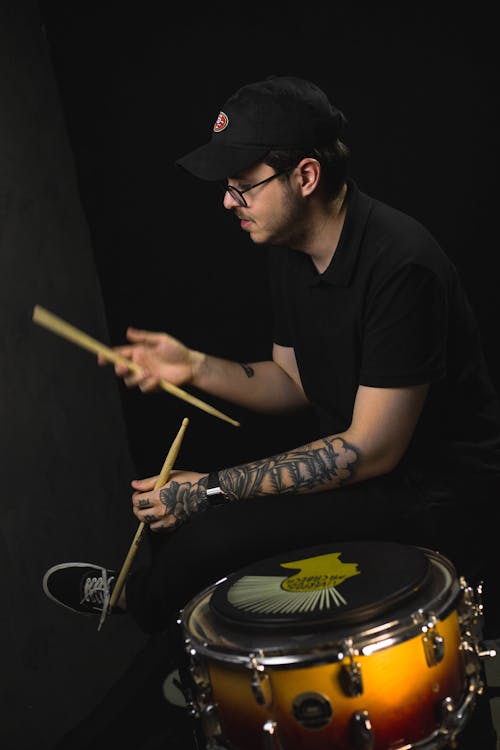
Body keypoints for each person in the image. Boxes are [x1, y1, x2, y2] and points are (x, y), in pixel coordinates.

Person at [43, 75, 500, 748]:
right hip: (370, 467)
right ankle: (167, 624)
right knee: (188, 534)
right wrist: (192, 366)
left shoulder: (403, 263)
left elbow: (370, 449)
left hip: (434, 491)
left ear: (306, 175)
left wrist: (210, 493)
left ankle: (142, 614)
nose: (228, 201)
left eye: (242, 183)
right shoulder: (291, 249)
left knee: (204, 537)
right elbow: (291, 381)